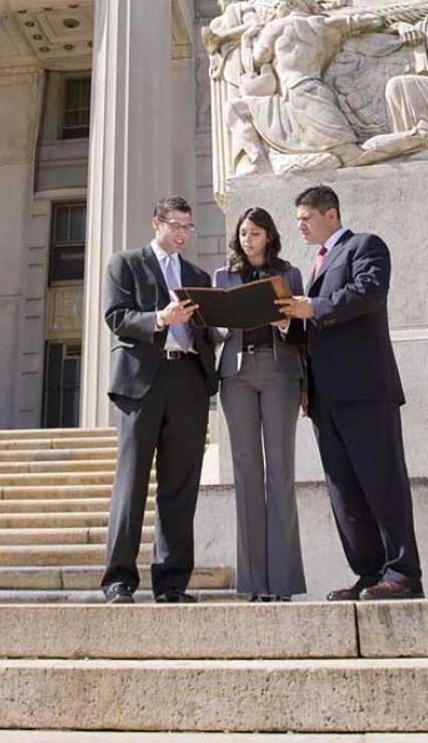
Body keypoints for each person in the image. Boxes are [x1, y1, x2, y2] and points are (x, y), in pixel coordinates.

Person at [278, 185, 423, 601]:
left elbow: (368, 293)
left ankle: (402, 573)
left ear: (332, 215)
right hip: (325, 396)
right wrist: (292, 324)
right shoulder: (316, 263)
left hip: (365, 390)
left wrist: (314, 308)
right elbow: (319, 325)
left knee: (382, 482)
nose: (300, 226)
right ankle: (369, 572)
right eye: (298, 220)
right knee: (344, 491)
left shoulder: (366, 246)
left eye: (306, 217)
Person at [100, 196, 219, 604]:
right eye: (176, 225)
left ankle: (171, 583)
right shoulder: (126, 263)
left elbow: (206, 331)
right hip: (142, 382)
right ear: (157, 223)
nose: (183, 233)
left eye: (188, 227)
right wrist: (161, 319)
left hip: (188, 379)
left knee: (180, 486)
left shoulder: (198, 276)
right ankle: (119, 579)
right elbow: (116, 317)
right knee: (131, 482)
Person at [214, 207, 307, 603]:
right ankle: (254, 583)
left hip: (279, 371)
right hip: (236, 375)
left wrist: (283, 322)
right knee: (247, 472)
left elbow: (302, 330)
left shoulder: (289, 273)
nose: (248, 239)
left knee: (280, 471)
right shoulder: (223, 276)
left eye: (255, 232)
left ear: (268, 235)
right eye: (244, 233)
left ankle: (282, 583)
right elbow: (215, 329)